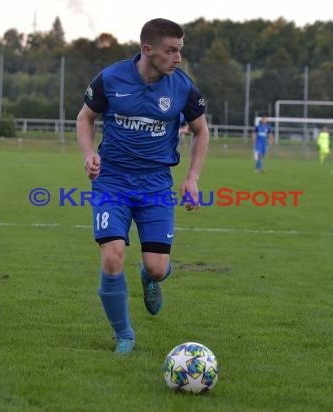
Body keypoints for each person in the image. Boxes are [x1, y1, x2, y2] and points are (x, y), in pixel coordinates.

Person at [76, 18, 210, 354]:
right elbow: (85, 117)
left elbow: (201, 131)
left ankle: (150, 277)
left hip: (155, 185)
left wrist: (192, 177)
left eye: (180, 50)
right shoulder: (111, 78)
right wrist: (89, 153)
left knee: (157, 266)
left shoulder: (183, 87)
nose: (178, 58)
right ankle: (124, 335)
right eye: (171, 50)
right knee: (112, 256)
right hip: (112, 181)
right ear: (147, 50)